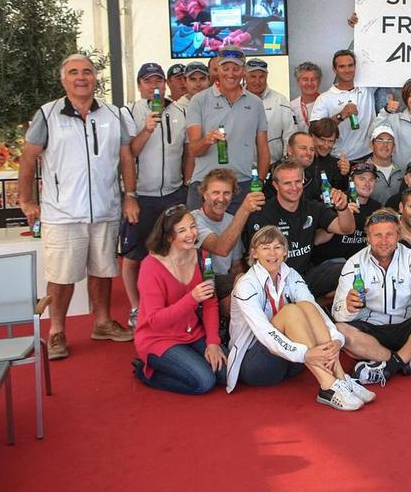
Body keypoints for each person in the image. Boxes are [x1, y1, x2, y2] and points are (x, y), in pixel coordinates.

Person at [18, 54, 138, 360]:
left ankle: (102, 323)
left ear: (95, 78)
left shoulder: (113, 114)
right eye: (73, 72)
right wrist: (26, 199)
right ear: (63, 80)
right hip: (62, 213)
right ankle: (56, 330)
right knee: (61, 275)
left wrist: (130, 195)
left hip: (105, 208)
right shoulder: (47, 115)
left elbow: (125, 157)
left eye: (87, 71)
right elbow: (29, 159)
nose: (81, 77)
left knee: (102, 271)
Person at [226, 226, 372, 410]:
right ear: (254, 253)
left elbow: (315, 309)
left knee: (306, 306)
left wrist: (336, 338)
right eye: (265, 247)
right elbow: (264, 332)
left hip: (292, 360)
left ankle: (341, 379)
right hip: (256, 364)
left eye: (277, 247)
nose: (272, 253)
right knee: (291, 312)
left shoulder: (290, 274)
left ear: (286, 251)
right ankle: (328, 386)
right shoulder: (245, 285)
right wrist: (304, 353)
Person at [332, 209, 411, 386]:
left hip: (408, 328)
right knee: (339, 330)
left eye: (389, 234)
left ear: (398, 235)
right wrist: (347, 308)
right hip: (372, 330)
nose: (384, 241)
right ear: (368, 238)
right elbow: (337, 312)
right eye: (377, 235)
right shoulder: (354, 263)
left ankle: (387, 367)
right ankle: (407, 362)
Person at [121, 63, 191, 329]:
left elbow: (187, 152)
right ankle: (137, 308)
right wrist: (148, 128)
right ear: (140, 85)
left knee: (174, 250)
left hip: (173, 193)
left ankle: (174, 305)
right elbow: (129, 153)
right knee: (134, 255)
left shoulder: (179, 111)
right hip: (143, 195)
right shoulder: (129, 112)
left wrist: (185, 183)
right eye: (148, 81)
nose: (154, 86)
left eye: (158, 81)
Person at [132, 206, 225, 394]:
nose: (191, 234)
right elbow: (155, 321)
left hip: (193, 332)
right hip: (158, 338)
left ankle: (188, 362)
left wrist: (213, 342)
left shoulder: (201, 256)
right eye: (182, 230)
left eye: (192, 227)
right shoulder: (151, 266)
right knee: (205, 381)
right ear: (169, 237)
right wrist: (191, 298)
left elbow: (209, 303)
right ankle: (147, 373)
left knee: (227, 373)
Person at [245, 160, 355, 298]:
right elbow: (259, 260)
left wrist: (342, 207)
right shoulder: (262, 213)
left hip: (306, 276)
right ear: (276, 185)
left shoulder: (313, 207)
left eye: (298, 181)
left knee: (350, 270)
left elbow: (346, 229)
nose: (294, 187)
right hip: (275, 281)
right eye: (287, 183)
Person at [185, 46, 270, 214]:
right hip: (205, 185)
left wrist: (259, 181)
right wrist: (206, 140)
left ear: (243, 71)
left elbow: (263, 148)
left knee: (242, 239)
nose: (230, 74)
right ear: (217, 70)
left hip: (242, 185)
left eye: (236, 68)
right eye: (225, 68)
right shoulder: (199, 101)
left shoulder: (255, 103)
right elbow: (194, 149)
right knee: (199, 239)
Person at [192, 169, 264, 317]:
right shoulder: (193, 220)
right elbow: (221, 248)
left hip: (225, 282)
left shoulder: (231, 220)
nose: (221, 198)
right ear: (204, 194)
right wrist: (244, 209)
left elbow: (236, 265)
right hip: (199, 282)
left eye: (226, 193)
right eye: (215, 193)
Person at [309, 49, 377, 160]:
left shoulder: (367, 88)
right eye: (342, 66)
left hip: (366, 157)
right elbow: (313, 130)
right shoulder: (324, 98)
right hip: (338, 159)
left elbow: (384, 69)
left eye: (350, 65)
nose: (347, 70)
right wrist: (341, 116)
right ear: (334, 70)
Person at [315, 161, 382, 265]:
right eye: (362, 179)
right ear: (351, 180)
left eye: (371, 179)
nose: (367, 184)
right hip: (332, 263)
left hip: (361, 263)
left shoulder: (377, 208)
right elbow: (317, 240)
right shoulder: (336, 200)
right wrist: (342, 215)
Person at [245, 58, 298, 164]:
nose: (257, 81)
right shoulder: (235, 99)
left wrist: (286, 162)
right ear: (245, 76)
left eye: (261, 77)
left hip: (273, 165)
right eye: (253, 76)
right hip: (242, 166)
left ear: (267, 77)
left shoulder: (280, 100)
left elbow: (290, 134)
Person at [365, 126, 403, 204]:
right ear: (371, 145)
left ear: (394, 147)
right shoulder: (361, 172)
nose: (385, 145)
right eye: (380, 140)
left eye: (389, 141)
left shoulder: (401, 172)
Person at [309, 118, 348, 193]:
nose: (326, 145)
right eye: (322, 140)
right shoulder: (303, 160)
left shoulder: (336, 164)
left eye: (330, 141)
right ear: (312, 137)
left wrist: (343, 175)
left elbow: (340, 192)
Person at [291, 61, 323, 133]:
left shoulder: (326, 103)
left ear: (319, 81)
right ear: (298, 81)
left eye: (313, 79)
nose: (309, 83)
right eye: (305, 79)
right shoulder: (291, 107)